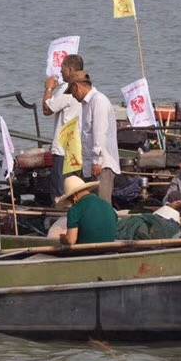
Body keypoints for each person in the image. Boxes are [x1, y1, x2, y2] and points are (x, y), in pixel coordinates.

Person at [71, 71, 121, 202]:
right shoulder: (87, 103)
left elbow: (99, 132)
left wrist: (97, 161)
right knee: (93, 203)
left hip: (102, 164)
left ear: (76, 86)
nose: (73, 96)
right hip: (93, 164)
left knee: (102, 204)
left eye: (72, 92)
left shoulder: (98, 101)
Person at [42, 53, 84, 205]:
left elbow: (46, 109)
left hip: (63, 149)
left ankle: (61, 221)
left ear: (71, 69)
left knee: (61, 194)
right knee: (75, 189)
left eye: (63, 69)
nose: (60, 72)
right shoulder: (86, 87)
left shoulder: (69, 90)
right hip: (77, 148)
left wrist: (49, 88)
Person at [58, 174, 117, 246]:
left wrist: (63, 238)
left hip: (86, 252)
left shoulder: (75, 210)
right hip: (109, 248)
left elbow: (71, 241)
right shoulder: (107, 205)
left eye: (69, 200)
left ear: (74, 196)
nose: (71, 204)